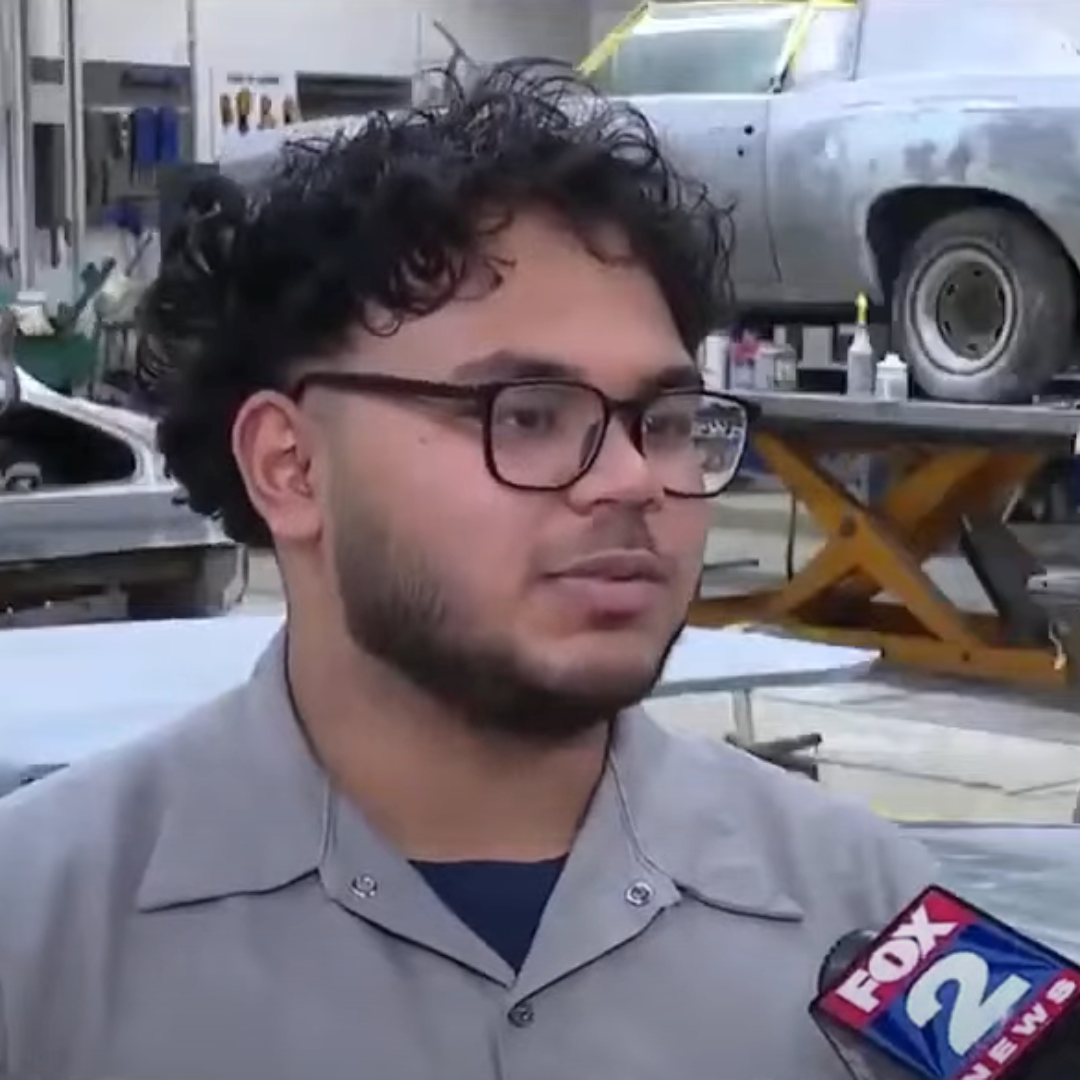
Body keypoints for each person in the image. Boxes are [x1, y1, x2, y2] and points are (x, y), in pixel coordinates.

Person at [0, 61, 937, 1079]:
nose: (630, 480)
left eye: (664, 422)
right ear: (292, 466)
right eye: (528, 416)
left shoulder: (875, 914)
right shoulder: (38, 932)